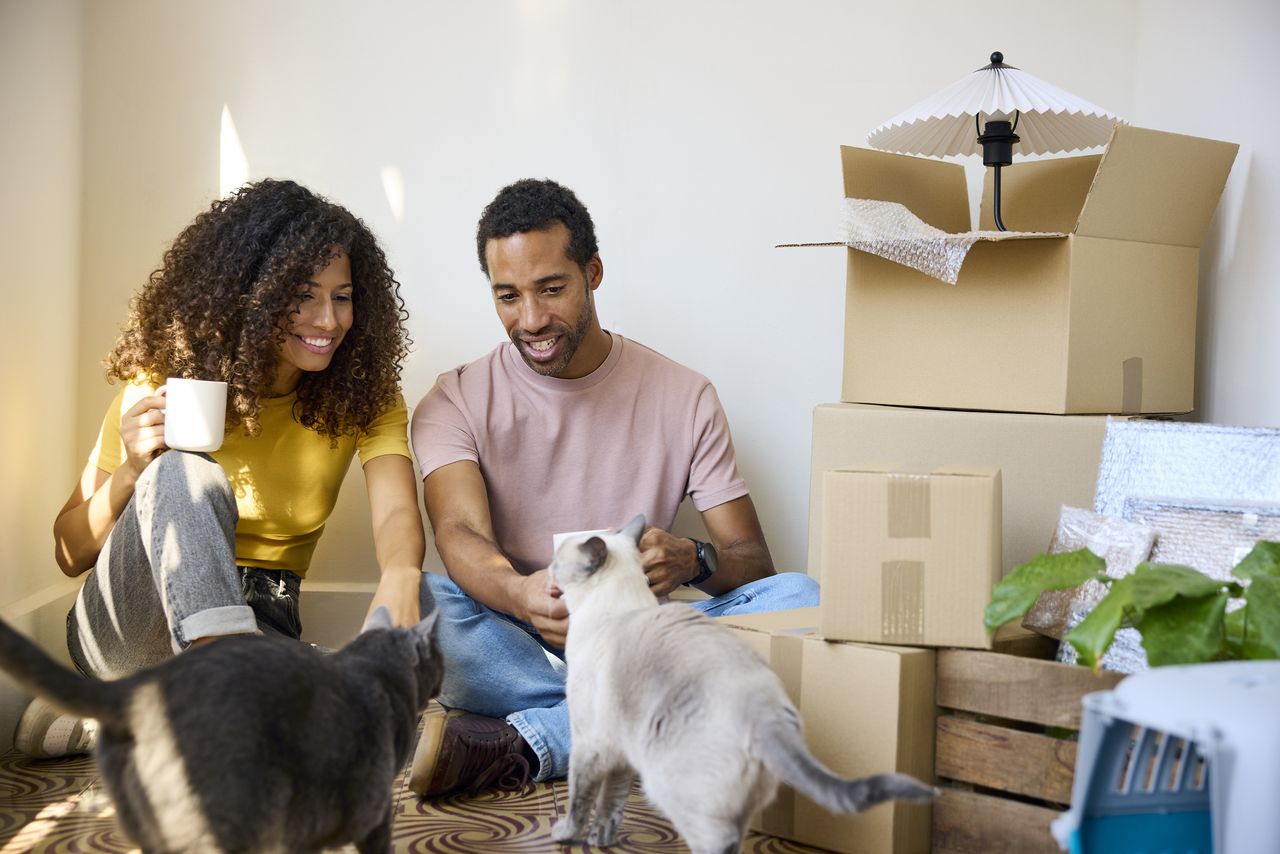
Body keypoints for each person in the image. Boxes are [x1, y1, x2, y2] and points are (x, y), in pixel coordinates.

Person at [408, 178, 819, 798]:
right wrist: (522, 596)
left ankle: (527, 742)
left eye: (552, 289)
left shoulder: (685, 397)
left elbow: (754, 564)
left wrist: (692, 559)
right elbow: (458, 533)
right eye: (508, 297)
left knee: (800, 596)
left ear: (593, 272)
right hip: (525, 639)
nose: (532, 319)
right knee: (417, 601)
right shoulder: (454, 399)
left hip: (643, 636)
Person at [15, 179, 428, 757]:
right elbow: (69, 553)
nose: (327, 319)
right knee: (187, 473)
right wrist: (134, 470)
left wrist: (401, 577)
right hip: (134, 625)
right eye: (302, 295)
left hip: (262, 617)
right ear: (248, 294)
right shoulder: (161, 386)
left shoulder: (365, 395)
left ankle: (137, 717)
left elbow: (396, 513)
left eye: (342, 296)